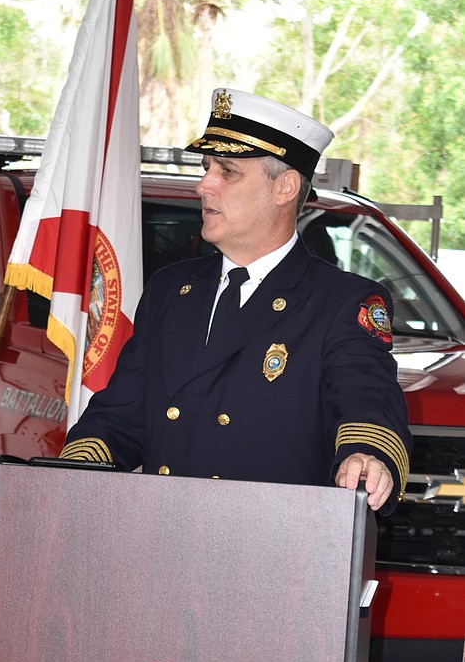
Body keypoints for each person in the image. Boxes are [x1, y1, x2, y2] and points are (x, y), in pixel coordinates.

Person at [61, 88, 411, 514]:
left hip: (273, 551)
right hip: (158, 541)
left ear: (285, 187)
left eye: (226, 171)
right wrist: (72, 469)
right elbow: (123, 414)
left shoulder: (341, 301)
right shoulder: (170, 289)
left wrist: (367, 458)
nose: (203, 184)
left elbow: (365, 399)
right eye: (206, 168)